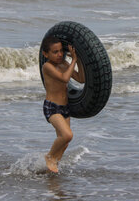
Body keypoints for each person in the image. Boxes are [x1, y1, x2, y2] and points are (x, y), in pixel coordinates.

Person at [41, 36, 85, 173]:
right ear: (45, 54)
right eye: (55, 52)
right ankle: (49, 157)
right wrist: (74, 60)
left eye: (61, 51)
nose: (60, 54)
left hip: (65, 108)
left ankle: (53, 167)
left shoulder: (64, 64)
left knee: (65, 143)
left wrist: (80, 60)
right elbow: (65, 78)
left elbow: (81, 79)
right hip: (52, 107)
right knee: (67, 135)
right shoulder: (47, 66)